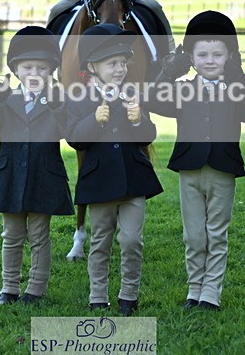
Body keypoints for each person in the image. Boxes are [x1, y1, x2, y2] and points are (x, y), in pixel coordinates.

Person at [144, 10, 245, 311]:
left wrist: (240, 76)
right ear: (191, 58)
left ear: (229, 56)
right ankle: (194, 289)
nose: (210, 60)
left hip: (222, 171)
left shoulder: (237, 89)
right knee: (194, 235)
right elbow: (152, 99)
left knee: (216, 233)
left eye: (217, 54)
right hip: (190, 171)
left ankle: (210, 293)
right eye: (202, 54)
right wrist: (170, 71)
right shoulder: (183, 89)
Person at [66, 23, 163, 316]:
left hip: (134, 181)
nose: (120, 69)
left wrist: (139, 121)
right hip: (100, 182)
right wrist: (94, 120)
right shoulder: (80, 98)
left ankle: (129, 296)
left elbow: (148, 136)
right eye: (112, 64)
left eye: (123, 62)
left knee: (132, 240)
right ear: (92, 66)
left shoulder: (133, 93)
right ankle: (98, 296)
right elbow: (74, 138)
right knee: (100, 242)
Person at [0, 26, 74, 305]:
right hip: (10, 175)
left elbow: (67, 130)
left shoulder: (58, 98)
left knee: (40, 235)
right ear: (16, 71)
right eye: (28, 67)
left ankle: (35, 289)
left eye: (42, 69)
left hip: (45, 175)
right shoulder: (6, 99)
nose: (34, 74)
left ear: (52, 72)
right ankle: (8, 288)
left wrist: (57, 104)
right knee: (11, 234)